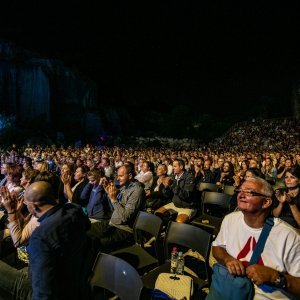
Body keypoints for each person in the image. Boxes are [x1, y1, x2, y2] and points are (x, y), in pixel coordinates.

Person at [0, 181, 93, 300]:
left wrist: (12, 212)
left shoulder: (41, 238)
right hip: (77, 283)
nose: (26, 206)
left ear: (34, 206)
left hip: (49, 291)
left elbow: (43, 292)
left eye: (26, 204)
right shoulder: (74, 210)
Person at [211, 177, 300, 299]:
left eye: (250, 192)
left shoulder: (289, 237)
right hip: (232, 291)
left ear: (266, 202)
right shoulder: (230, 219)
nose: (241, 194)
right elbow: (217, 247)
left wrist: (275, 277)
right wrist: (227, 259)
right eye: (240, 190)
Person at [87, 164, 145, 250]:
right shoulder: (124, 187)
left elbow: (125, 217)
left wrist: (113, 199)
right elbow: (113, 209)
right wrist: (108, 193)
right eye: (117, 175)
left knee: (97, 243)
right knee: (87, 230)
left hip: (124, 229)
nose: (117, 178)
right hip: (112, 222)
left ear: (129, 176)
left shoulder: (137, 191)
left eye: (121, 176)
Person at [155, 158, 197, 223]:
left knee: (179, 221)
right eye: (173, 166)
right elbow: (167, 195)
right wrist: (166, 188)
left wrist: (172, 184)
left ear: (181, 167)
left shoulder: (190, 177)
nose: (173, 168)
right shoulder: (173, 177)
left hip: (186, 206)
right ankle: (165, 230)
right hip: (175, 204)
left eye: (175, 166)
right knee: (157, 214)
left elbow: (186, 195)